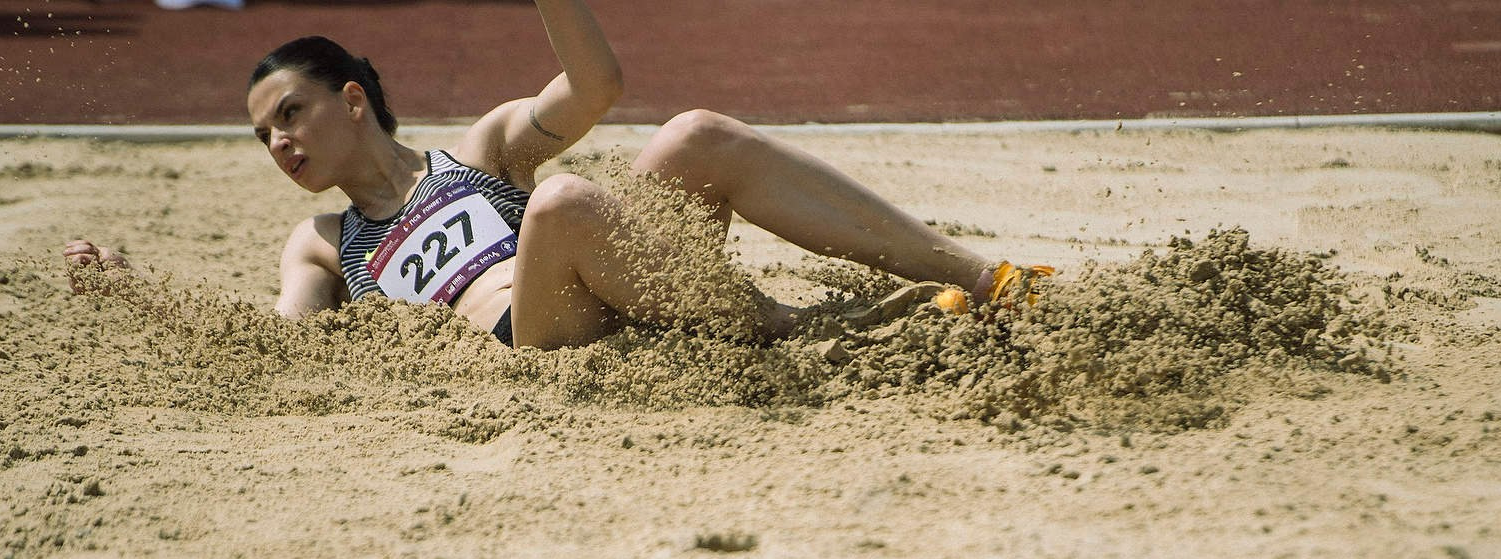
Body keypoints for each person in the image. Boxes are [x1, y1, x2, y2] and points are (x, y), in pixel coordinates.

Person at [64, 0, 1051, 350]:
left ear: (351, 100)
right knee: (568, 202)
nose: (278, 142)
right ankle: (820, 329)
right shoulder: (324, 240)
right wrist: (136, 296)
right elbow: (280, 341)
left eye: (289, 114)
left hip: (635, 282)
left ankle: (981, 276)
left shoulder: (483, 149)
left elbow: (595, 84)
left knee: (690, 135)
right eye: (263, 136)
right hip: (538, 337)